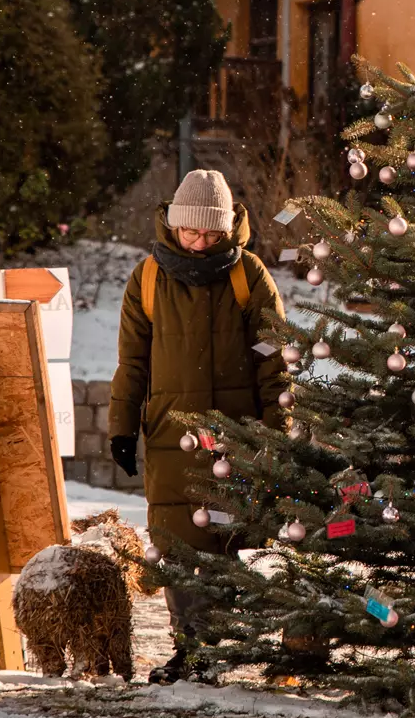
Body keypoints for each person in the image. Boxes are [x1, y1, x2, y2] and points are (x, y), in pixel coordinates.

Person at [109, 169, 289, 684]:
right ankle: (189, 649)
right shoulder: (147, 278)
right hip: (169, 436)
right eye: (192, 233)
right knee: (174, 544)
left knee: (224, 544)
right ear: (173, 223)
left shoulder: (248, 275)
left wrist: (279, 427)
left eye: (212, 235)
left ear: (229, 230)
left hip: (235, 436)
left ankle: (217, 648)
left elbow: (273, 360)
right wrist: (121, 428)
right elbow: (133, 363)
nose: (200, 243)